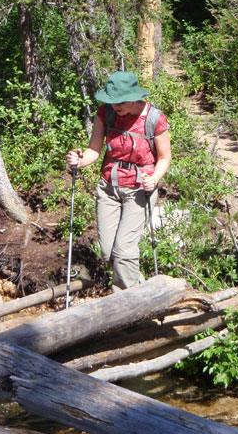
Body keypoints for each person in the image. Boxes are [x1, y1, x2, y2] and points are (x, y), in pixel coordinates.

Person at [66, 71, 171, 291]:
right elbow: (94, 150)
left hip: (139, 190)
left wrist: (154, 178)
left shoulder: (154, 118)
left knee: (124, 251)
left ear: (134, 96)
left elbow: (164, 158)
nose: (116, 106)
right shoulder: (106, 113)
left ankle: (129, 303)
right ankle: (139, 287)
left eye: (121, 101)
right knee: (108, 251)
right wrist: (79, 160)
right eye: (112, 101)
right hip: (109, 187)